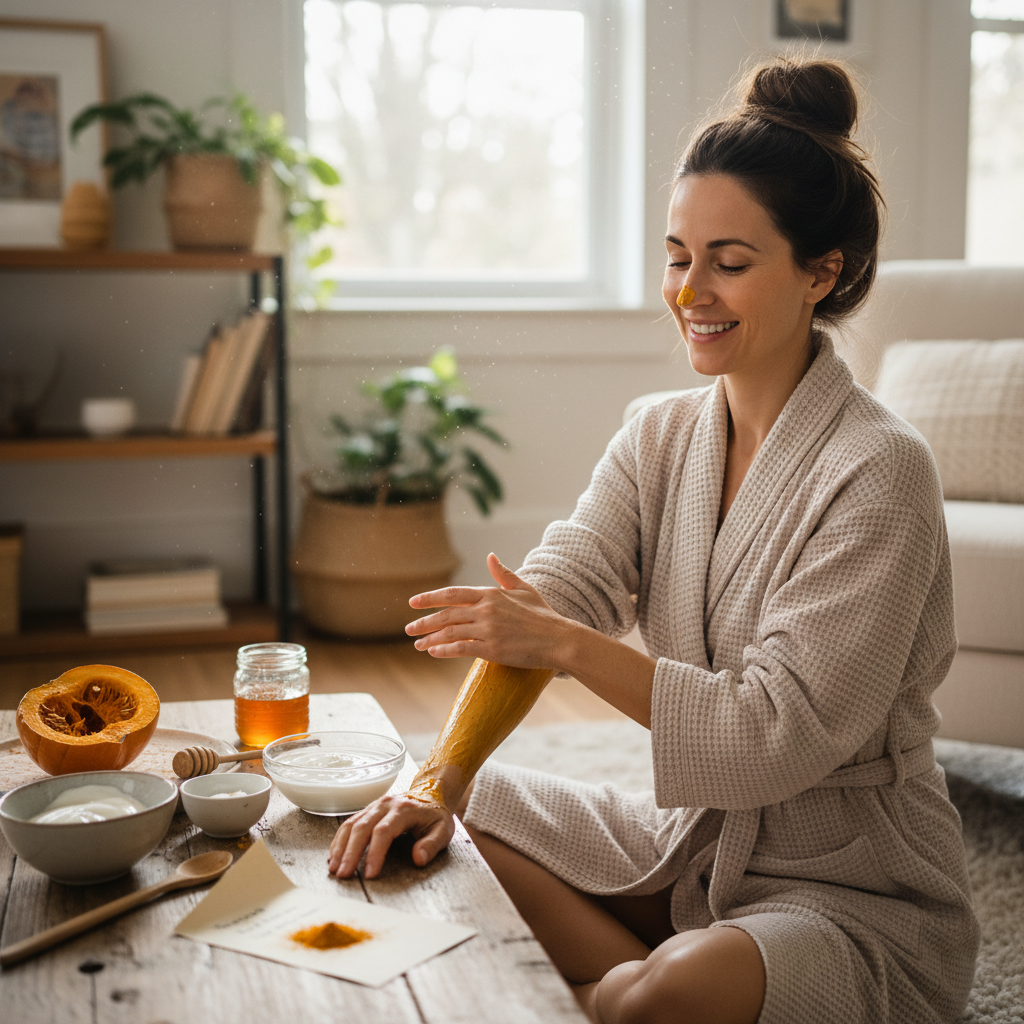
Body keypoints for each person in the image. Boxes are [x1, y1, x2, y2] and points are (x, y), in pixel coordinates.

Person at [328, 55, 980, 1024]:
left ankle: (600, 993)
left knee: (671, 989)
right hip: (694, 851)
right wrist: (441, 775)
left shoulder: (879, 470)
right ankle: (616, 991)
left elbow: (768, 738)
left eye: (729, 263)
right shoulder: (659, 434)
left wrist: (561, 643)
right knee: (426, 818)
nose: (689, 292)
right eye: (678, 257)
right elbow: (552, 594)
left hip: (853, 892)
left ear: (822, 271)